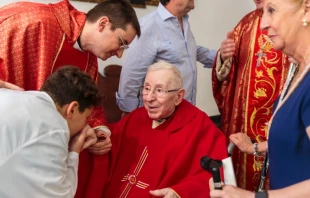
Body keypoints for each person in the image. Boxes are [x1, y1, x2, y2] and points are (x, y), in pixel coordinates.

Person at [0, 0, 140, 197]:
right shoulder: (36, 22)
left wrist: (99, 131)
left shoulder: (90, 57)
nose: (118, 54)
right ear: (103, 24)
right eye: (122, 43)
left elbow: (90, 105)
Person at [211, 0, 310, 197]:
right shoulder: (246, 25)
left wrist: (254, 196)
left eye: (271, 10)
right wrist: (254, 147)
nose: (264, 23)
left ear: (306, 10)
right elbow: (296, 139)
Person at [103, 62, 227, 198]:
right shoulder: (137, 117)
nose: (149, 98)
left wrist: (179, 192)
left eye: (159, 90)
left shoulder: (199, 125)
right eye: (146, 88)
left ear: (179, 97)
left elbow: (215, 174)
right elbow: (109, 141)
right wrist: (98, 135)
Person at [0, 66, 100, 197]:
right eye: (86, 118)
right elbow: (59, 195)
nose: (85, 125)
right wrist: (74, 153)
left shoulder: (10, 94)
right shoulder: (54, 128)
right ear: (73, 109)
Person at [117, 0, 217, 115]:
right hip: (158, 117)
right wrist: (131, 116)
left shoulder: (184, 22)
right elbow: (132, 74)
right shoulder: (149, 25)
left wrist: (220, 55)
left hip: (184, 112)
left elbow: (189, 50)